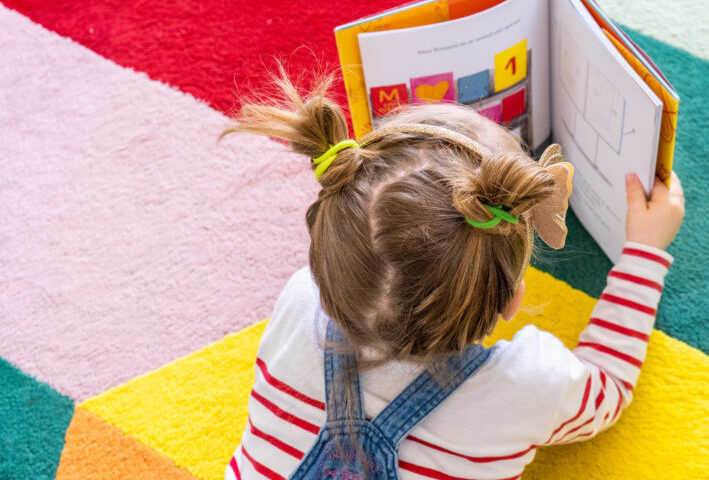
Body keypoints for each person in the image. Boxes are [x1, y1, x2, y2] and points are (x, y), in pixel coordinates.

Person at [220, 66, 685, 480]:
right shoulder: (528, 388)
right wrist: (643, 252)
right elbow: (608, 388)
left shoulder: (299, 301)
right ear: (512, 300)